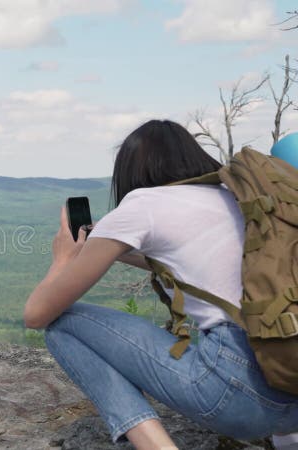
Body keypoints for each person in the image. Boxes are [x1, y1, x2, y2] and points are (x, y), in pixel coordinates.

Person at [23, 119, 298, 449]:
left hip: (236, 397)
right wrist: (107, 248)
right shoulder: (238, 198)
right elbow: (184, 265)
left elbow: (36, 314)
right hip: (287, 378)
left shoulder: (142, 204)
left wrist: (63, 261)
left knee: (61, 324)